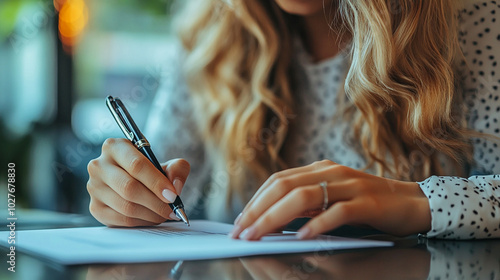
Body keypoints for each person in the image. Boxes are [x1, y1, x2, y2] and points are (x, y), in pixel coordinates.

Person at [86, 0, 500, 240]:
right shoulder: (210, 29)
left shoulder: (470, 19)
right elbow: (164, 186)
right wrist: (128, 194)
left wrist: (419, 202)